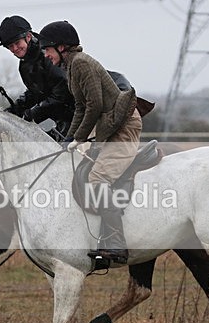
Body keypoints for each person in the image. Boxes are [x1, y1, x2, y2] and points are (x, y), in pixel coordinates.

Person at [39, 20, 142, 265]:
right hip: (110, 127)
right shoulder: (73, 66)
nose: (45, 55)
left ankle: (116, 244)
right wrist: (68, 139)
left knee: (98, 180)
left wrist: (79, 137)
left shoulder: (82, 64)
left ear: (62, 47)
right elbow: (81, 107)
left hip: (124, 128)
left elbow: (94, 105)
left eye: (47, 50)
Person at [0, 15, 74, 139]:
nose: (14, 49)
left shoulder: (48, 55)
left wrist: (33, 113)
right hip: (63, 118)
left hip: (80, 115)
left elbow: (62, 93)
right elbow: (36, 92)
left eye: (17, 43)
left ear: (28, 36)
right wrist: (15, 109)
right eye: (10, 46)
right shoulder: (24, 64)